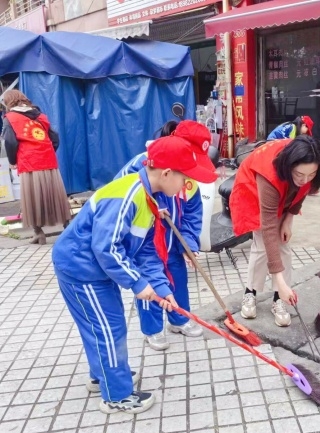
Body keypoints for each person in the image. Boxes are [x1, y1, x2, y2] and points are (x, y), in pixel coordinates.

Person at [51, 136, 217, 414]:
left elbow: (146, 252)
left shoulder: (150, 197)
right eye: (184, 178)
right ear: (166, 174)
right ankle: (117, 395)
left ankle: (102, 374)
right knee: (108, 328)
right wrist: (138, 283)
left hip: (96, 271)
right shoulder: (128, 195)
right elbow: (106, 248)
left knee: (104, 325)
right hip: (81, 269)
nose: (186, 186)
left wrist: (162, 289)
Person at [116, 120, 216, 350]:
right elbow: (121, 206)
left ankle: (179, 319)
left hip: (173, 243)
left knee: (178, 279)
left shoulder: (189, 175)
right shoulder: (142, 166)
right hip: (145, 242)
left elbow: (192, 213)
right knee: (151, 284)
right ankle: (152, 329)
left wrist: (189, 245)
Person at [230, 135, 320, 326]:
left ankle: (279, 298)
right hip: (254, 195)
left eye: (311, 175)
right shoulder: (269, 173)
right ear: (290, 165)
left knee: (283, 245)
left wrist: (289, 218)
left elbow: (302, 191)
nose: (305, 179)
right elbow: (268, 226)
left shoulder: (307, 167)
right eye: (300, 175)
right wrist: (279, 279)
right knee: (261, 246)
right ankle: (251, 292)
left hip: (283, 196)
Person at [1, 89, 71, 244]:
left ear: (8, 102)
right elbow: (55, 137)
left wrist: (13, 160)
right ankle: (68, 227)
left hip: (29, 162)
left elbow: (10, 142)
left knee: (32, 198)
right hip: (49, 161)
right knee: (56, 195)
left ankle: (39, 233)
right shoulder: (40, 115)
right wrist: (47, 152)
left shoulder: (10, 118)